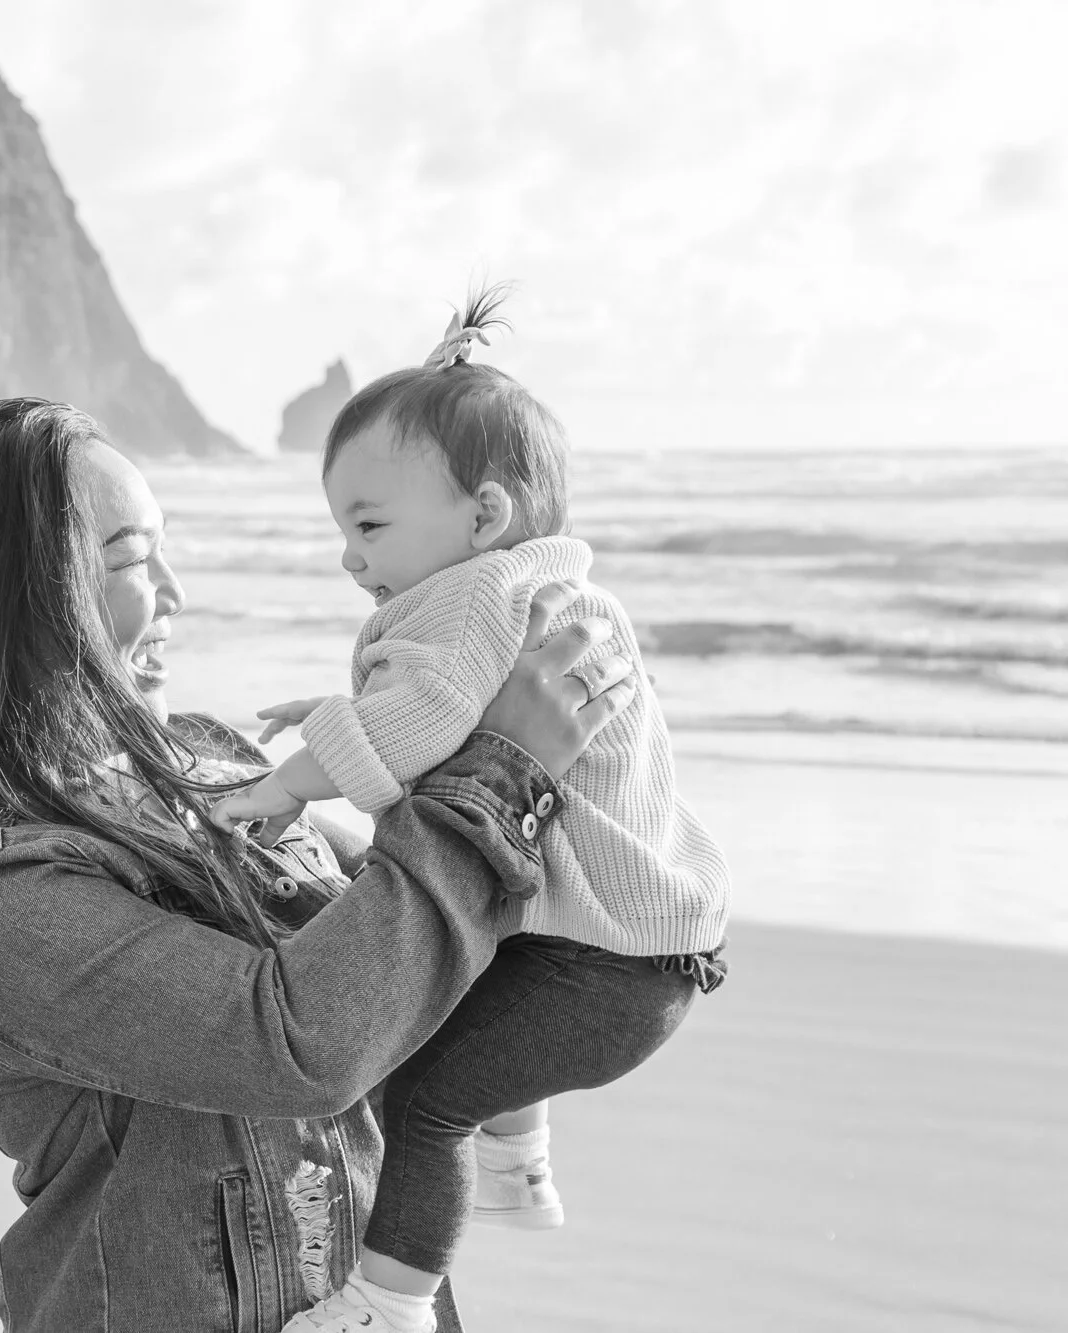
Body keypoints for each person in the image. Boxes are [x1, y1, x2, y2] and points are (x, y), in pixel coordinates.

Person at [0, 397, 635, 1331]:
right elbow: (303, 1042)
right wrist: (501, 773)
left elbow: (415, 947)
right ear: (14, 599)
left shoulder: (212, 760)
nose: (177, 593)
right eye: (132, 560)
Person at [211, 286, 731, 1333]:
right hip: (643, 948)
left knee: (422, 1099)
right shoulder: (554, 595)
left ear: (482, 517)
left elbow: (420, 725)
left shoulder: (473, 596)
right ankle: (516, 1163)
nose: (348, 557)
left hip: (596, 974)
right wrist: (336, 721)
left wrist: (282, 783)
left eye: (367, 525)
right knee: (476, 954)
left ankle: (386, 1306)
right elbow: (453, 740)